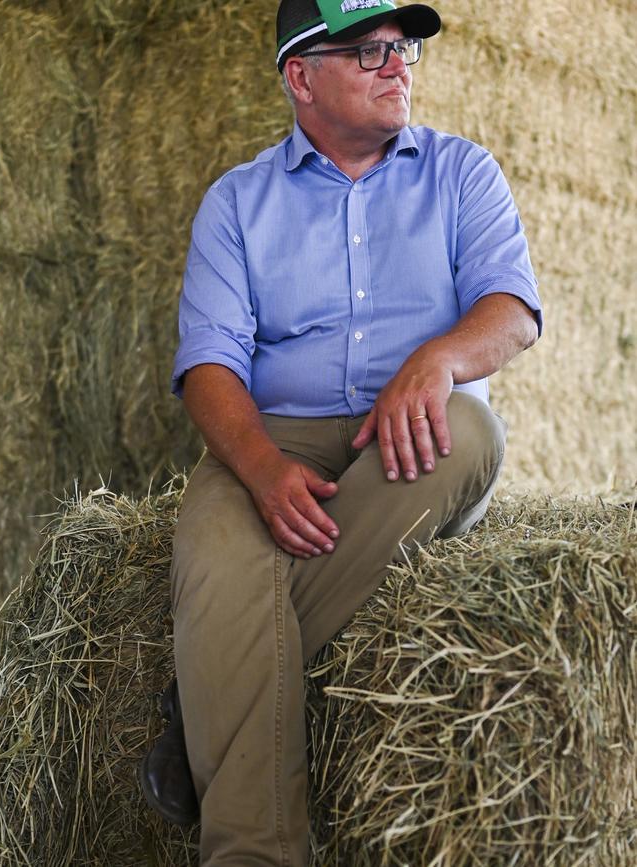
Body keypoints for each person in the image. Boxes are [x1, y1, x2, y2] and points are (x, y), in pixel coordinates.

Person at [139, 0, 543, 864]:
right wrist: (257, 466)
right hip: (269, 433)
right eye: (369, 51)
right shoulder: (237, 202)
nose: (398, 65)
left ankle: (204, 695)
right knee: (215, 539)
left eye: (404, 49)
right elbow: (209, 364)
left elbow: (511, 312)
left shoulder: (461, 172)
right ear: (301, 77)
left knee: (468, 431)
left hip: (405, 435)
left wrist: (437, 361)